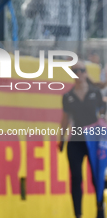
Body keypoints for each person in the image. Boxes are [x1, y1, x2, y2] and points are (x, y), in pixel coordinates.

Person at [59, 61, 105, 218]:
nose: (78, 74)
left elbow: (103, 115)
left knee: (96, 175)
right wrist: (61, 137)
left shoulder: (95, 93)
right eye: (75, 71)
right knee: (76, 177)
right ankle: (78, 214)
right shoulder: (68, 96)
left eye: (81, 70)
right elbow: (65, 119)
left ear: (86, 73)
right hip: (76, 140)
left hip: (94, 140)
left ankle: (100, 208)